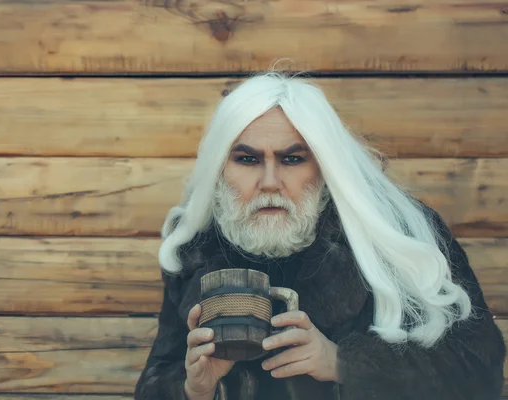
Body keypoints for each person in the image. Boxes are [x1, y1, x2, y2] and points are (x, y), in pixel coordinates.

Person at [134, 72, 506, 400]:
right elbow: (158, 375)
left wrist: (344, 363)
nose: (269, 183)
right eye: (247, 160)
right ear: (221, 169)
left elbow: (479, 370)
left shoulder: (394, 235)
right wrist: (192, 389)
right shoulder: (199, 247)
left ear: (323, 167)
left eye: (292, 159)